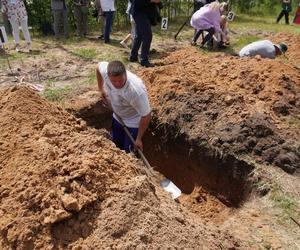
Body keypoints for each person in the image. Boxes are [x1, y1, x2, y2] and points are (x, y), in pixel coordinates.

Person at [96, 60, 151, 152]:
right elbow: (98, 67)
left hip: (133, 123)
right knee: (115, 146)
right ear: (108, 76)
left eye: (121, 80)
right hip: (118, 117)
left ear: (125, 73)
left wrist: (138, 139)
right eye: (114, 81)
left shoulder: (136, 92)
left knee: (128, 152)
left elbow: (146, 116)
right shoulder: (105, 71)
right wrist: (101, 89)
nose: (118, 84)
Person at [130, 0, 162, 67]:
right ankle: (144, 60)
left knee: (139, 35)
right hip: (139, 12)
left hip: (145, 12)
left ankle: (133, 56)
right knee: (147, 35)